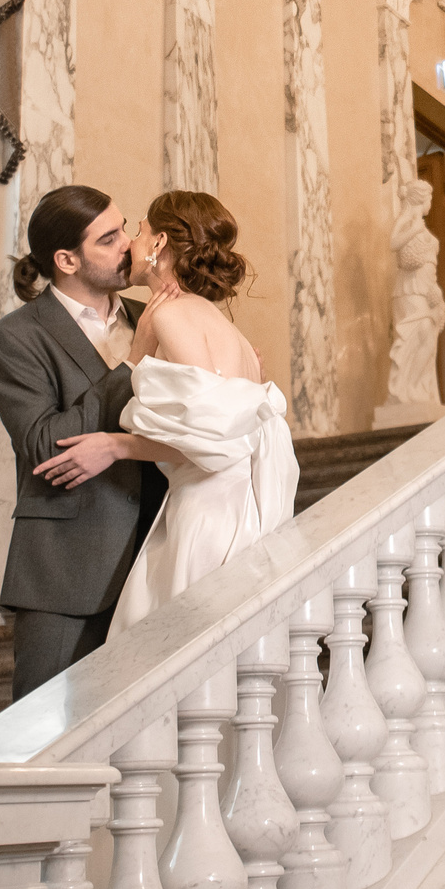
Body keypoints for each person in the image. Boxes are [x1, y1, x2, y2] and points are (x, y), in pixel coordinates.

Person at [36, 190, 299, 628]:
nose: (128, 244)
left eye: (136, 231)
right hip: (237, 509)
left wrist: (117, 445)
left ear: (158, 245)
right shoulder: (221, 323)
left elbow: (207, 439)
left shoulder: (169, 316)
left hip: (205, 515)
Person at [0, 186, 167, 699]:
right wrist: (129, 366)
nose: (129, 244)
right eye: (109, 239)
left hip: (162, 559)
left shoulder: (151, 317)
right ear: (66, 259)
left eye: (125, 227)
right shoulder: (13, 338)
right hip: (67, 571)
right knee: (46, 740)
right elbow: (45, 443)